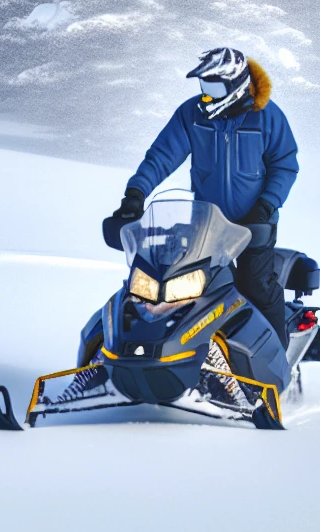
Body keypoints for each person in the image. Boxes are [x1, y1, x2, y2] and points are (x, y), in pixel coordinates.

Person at [106, 47, 300, 342]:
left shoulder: (267, 117)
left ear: (234, 86)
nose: (206, 94)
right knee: (193, 287)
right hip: (207, 222)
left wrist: (265, 206)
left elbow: (285, 165)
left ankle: (277, 359)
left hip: (255, 222)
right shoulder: (192, 114)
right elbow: (161, 156)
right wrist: (135, 193)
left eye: (213, 86)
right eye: (203, 85)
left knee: (255, 284)